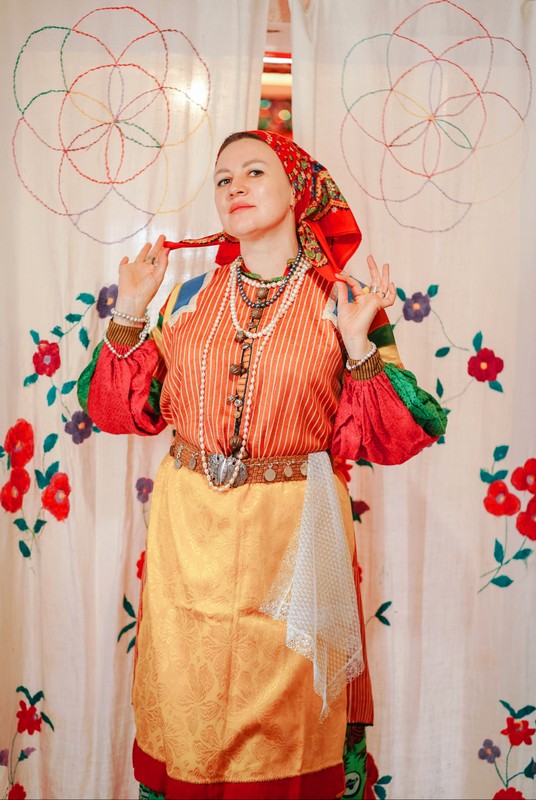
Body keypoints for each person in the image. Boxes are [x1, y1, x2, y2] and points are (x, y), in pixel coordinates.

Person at [79, 130, 447, 800]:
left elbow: (398, 436)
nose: (234, 187)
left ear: (298, 190)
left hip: (294, 537)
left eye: (254, 171)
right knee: (189, 710)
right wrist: (130, 310)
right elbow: (117, 409)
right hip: (190, 537)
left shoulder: (344, 300)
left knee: (289, 719)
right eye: (223, 178)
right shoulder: (186, 297)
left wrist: (360, 346)